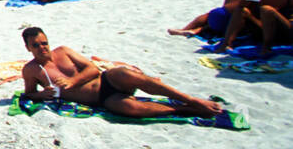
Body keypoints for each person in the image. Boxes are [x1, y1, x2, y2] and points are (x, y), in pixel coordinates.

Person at [20, 27, 222, 118]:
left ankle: (191, 100)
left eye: (44, 43)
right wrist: (41, 95)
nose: (42, 48)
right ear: (28, 48)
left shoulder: (63, 51)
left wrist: (72, 83)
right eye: (36, 45)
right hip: (101, 100)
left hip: (107, 81)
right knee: (132, 110)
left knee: (130, 76)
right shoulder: (31, 70)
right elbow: (28, 94)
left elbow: (92, 68)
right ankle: (183, 110)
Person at [219, 0, 293, 58]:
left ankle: (266, 47)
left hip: (284, 31)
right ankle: (226, 44)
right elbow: (228, 9)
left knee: (267, 9)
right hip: (261, 29)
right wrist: (242, 3)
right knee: (241, 10)